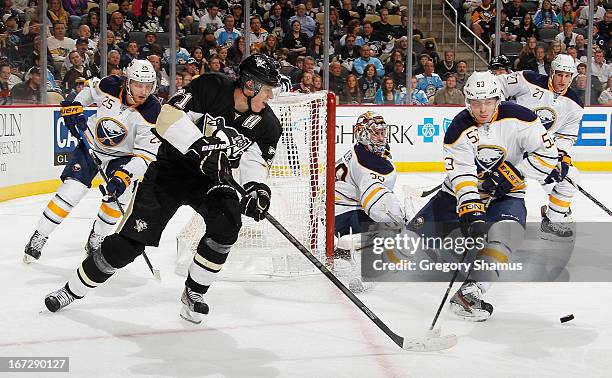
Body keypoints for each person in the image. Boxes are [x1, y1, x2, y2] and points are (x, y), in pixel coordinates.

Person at [43, 54, 283, 327]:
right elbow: (168, 117)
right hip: (170, 171)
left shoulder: (268, 124)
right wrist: (198, 148)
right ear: (249, 86)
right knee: (128, 244)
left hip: (212, 180)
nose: (270, 96)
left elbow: (255, 161)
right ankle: (71, 289)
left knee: (227, 225)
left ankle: (194, 292)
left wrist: (257, 190)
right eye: (266, 89)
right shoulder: (211, 86)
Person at [410, 71, 558, 321]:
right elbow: (463, 175)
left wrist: (513, 173)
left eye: (488, 102)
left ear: (497, 99)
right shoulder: (458, 129)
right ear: (468, 101)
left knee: (508, 235)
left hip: (508, 194)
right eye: (476, 103)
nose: (482, 109)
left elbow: (547, 156)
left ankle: (470, 292)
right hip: (456, 196)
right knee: (408, 240)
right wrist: (473, 212)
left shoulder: (522, 118)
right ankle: (362, 263)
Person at [24, 60, 161, 263]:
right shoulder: (110, 85)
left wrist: (124, 177)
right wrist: (77, 106)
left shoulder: (153, 111)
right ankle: (39, 236)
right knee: (72, 191)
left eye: (148, 86)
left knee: (117, 199)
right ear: (128, 81)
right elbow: (89, 91)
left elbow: (145, 156)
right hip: (91, 146)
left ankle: (97, 237)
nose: (143, 91)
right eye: (139, 85)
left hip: (123, 158)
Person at [496, 54, 583, 239]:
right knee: (499, 184)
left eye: (568, 76)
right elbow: (498, 83)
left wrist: (562, 158)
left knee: (570, 178)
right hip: (509, 144)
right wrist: (499, 110)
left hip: (539, 151)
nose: (563, 80)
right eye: (560, 74)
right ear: (552, 72)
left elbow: (565, 136)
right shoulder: (529, 79)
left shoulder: (575, 104)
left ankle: (553, 219)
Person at [334, 111, 408, 292]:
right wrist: (398, 217)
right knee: (390, 233)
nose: (381, 137)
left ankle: (343, 250)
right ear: (362, 133)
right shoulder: (366, 162)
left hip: (334, 209)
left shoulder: (362, 151)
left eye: (383, 132)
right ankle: (355, 257)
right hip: (343, 214)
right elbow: (374, 203)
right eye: (376, 132)